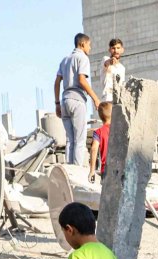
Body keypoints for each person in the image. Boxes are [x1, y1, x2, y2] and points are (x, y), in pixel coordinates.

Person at [55, 34, 98, 166]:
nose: (90, 48)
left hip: (65, 100)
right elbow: (81, 79)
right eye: (89, 45)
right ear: (83, 44)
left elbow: (57, 82)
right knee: (80, 140)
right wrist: (95, 98)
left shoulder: (65, 60)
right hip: (77, 99)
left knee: (70, 140)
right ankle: (77, 170)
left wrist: (57, 103)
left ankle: (69, 171)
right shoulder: (82, 58)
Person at [89, 102, 113, 180]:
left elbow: (94, 149)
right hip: (120, 168)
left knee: (107, 191)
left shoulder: (98, 132)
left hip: (105, 169)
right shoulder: (119, 131)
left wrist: (92, 170)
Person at [100, 38, 126, 104]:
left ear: (122, 50)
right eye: (113, 48)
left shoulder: (122, 68)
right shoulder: (105, 59)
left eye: (118, 48)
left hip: (118, 100)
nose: (116, 50)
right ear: (109, 50)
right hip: (107, 98)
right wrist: (110, 61)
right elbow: (106, 63)